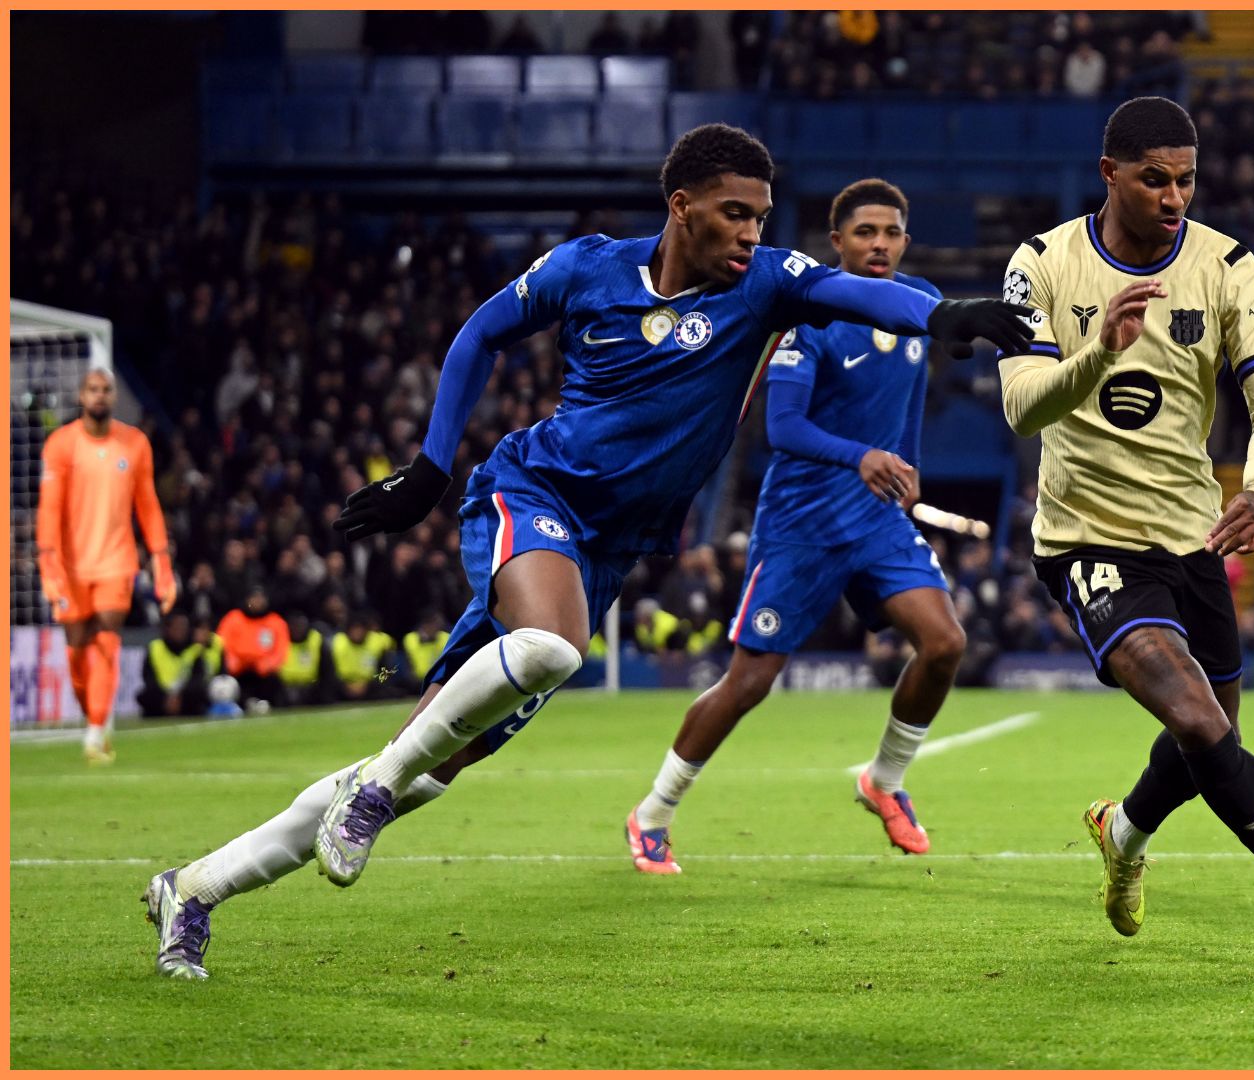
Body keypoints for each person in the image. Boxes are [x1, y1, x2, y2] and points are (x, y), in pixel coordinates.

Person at [142, 123, 1033, 979]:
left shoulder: (765, 283)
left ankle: (195, 887)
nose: (751, 234)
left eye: (761, 217)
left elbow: (869, 296)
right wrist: (429, 465)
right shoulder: (588, 268)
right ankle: (370, 793)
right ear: (682, 207)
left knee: (425, 761)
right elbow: (479, 334)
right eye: (734, 214)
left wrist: (951, 311)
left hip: (607, 550)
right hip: (533, 494)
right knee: (548, 650)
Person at [997, 96, 1254, 972]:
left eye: (1187, 179)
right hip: (1087, 537)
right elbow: (1020, 408)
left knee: (1212, 737)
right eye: (1155, 179)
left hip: (1192, 537)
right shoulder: (1039, 264)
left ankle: (1121, 833)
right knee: (1202, 721)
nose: (1174, 196)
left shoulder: (1230, 266)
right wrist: (1099, 351)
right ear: (1110, 175)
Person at [626, 178, 964, 873]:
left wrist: (909, 465)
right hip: (801, 523)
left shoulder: (918, 303)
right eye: (864, 232)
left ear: (905, 240)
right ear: (835, 244)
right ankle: (653, 812)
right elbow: (781, 428)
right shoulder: (809, 316)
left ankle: (885, 782)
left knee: (944, 643)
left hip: (875, 518)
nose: (879, 244)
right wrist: (861, 455)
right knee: (750, 682)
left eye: (891, 232)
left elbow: (912, 394)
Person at [36, 368, 175, 763]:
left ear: (113, 397)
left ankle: (96, 733)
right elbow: (49, 509)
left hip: (117, 561)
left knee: (106, 641)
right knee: (78, 649)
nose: (99, 396)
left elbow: (147, 506)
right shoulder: (61, 445)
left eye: (106, 390)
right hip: (71, 565)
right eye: (93, 390)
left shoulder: (134, 444)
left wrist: (161, 561)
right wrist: (48, 563)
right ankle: (92, 715)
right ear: (82, 396)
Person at [215, 586, 290, 711]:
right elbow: (221, 644)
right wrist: (233, 662)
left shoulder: (276, 622)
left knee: (274, 681)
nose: (257, 602)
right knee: (226, 683)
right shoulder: (233, 618)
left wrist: (266, 664)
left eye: (260, 598)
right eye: (254, 598)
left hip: (263, 672)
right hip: (238, 671)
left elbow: (281, 651)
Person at [137, 611, 215, 718]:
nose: (181, 631)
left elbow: (198, 678)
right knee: (144, 695)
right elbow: (148, 677)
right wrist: (167, 697)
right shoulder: (155, 647)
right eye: (177, 628)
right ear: (168, 629)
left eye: (184, 628)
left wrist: (180, 696)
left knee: (200, 693)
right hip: (161, 695)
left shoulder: (195, 649)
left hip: (185, 696)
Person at [329, 611, 397, 701]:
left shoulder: (378, 642)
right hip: (343, 686)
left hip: (371, 685)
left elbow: (387, 671)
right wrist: (346, 686)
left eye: (360, 628)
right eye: (354, 629)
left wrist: (368, 685)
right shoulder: (337, 643)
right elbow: (330, 672)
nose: (357, 632)